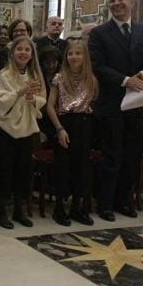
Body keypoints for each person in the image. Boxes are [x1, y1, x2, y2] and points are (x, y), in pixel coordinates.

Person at [88, 0, 143, 221]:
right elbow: (97, 66)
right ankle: (105, 203)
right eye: (112, 0)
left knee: (132, 156)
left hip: (138, 104)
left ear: (131, 3)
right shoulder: (99, 33)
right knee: (111, 156)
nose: (116, 3)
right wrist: (126, 81)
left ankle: (124, 201)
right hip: (112, 105)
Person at [0, 35, 46, 229]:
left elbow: (42, 100)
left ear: (32, 55)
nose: (23, 53)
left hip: (26, 128)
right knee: (5, 169)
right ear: (12, 52)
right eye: (19, 49)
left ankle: (18, 210)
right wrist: (20, 92)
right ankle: (1, 211)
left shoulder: (35, 75)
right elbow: (0, 101)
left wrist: (33, 99)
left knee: (24, 171)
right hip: (6, 128)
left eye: (27, 50)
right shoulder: (5, 75)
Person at [46, 40, 98, 226]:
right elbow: (50, 106)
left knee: (82, 168)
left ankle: (78, 206)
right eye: (70, 54)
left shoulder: (91, 78)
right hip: (65, 123)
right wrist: (59, 129)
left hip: (84, 124)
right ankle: (60, 207)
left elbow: (91, 105)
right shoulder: (59, 78)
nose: (74, 57)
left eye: (78, 53)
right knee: (63, 167)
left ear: (85, 57)